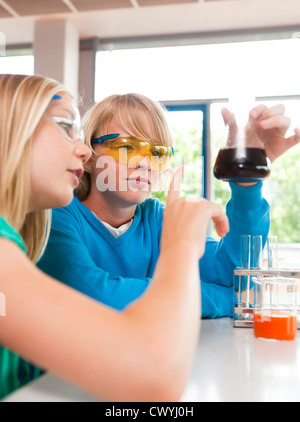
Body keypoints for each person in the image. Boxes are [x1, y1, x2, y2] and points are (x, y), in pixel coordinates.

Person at [0, 73, 231, 402]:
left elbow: (236, 272)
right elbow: (154, 378)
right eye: (65, 127)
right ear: (8, 133)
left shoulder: (18, 239)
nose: (82, 150)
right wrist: (180, 247)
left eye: (156, 153)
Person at [37, 93, 300, 318]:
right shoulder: (57, 215)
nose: (145, 163)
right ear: (89, 156)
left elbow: (232, 275)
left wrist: (247, 178)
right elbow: (96, 296)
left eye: (157, 153)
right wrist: (222, 299)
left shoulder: (158, 219)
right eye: (127, 147)